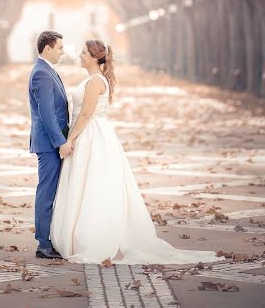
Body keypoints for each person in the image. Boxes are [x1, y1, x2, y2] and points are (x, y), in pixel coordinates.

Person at [50, 39, 226, 266]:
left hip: (91, 135)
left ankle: (92, 238)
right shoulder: (91, 79)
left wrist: (69, 140)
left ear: (95, 57)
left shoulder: (94, 82)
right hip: (88, 134)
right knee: (85, 183)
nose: (80, 55)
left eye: (84, 53)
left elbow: (85, 115)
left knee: (93, 184)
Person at [28, 30, 73, 259]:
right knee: (46, 192)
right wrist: (60, 143)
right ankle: (43, 244)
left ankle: (48, 240)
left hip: (51, 142)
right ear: (47, 48)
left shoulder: (47, 70)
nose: (63, 52)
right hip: (48, 144)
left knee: (52, 191)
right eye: (60, 48)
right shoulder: (41, 74)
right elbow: (47, 114)